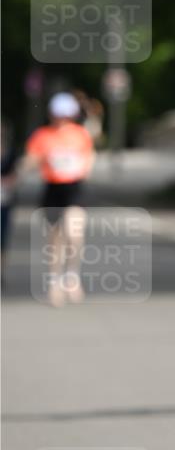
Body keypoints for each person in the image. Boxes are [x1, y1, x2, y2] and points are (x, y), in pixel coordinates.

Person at [23, 92, 95, 306]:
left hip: (74, 188)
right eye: (57, 115)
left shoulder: (80, 134)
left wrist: (84, 167)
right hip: (52, 189)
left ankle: (72, 276)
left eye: (65, 115)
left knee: (74, 231)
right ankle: (55, 281)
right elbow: (31, 159)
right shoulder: (42, 136)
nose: (61, 119)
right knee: (56, 240)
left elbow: (88, 157)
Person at [1, 119, 19, 287]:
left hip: (4, 201)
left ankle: (1, 272)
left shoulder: (10, 152)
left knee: (2, 238)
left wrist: (8, 181)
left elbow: (15, 174)